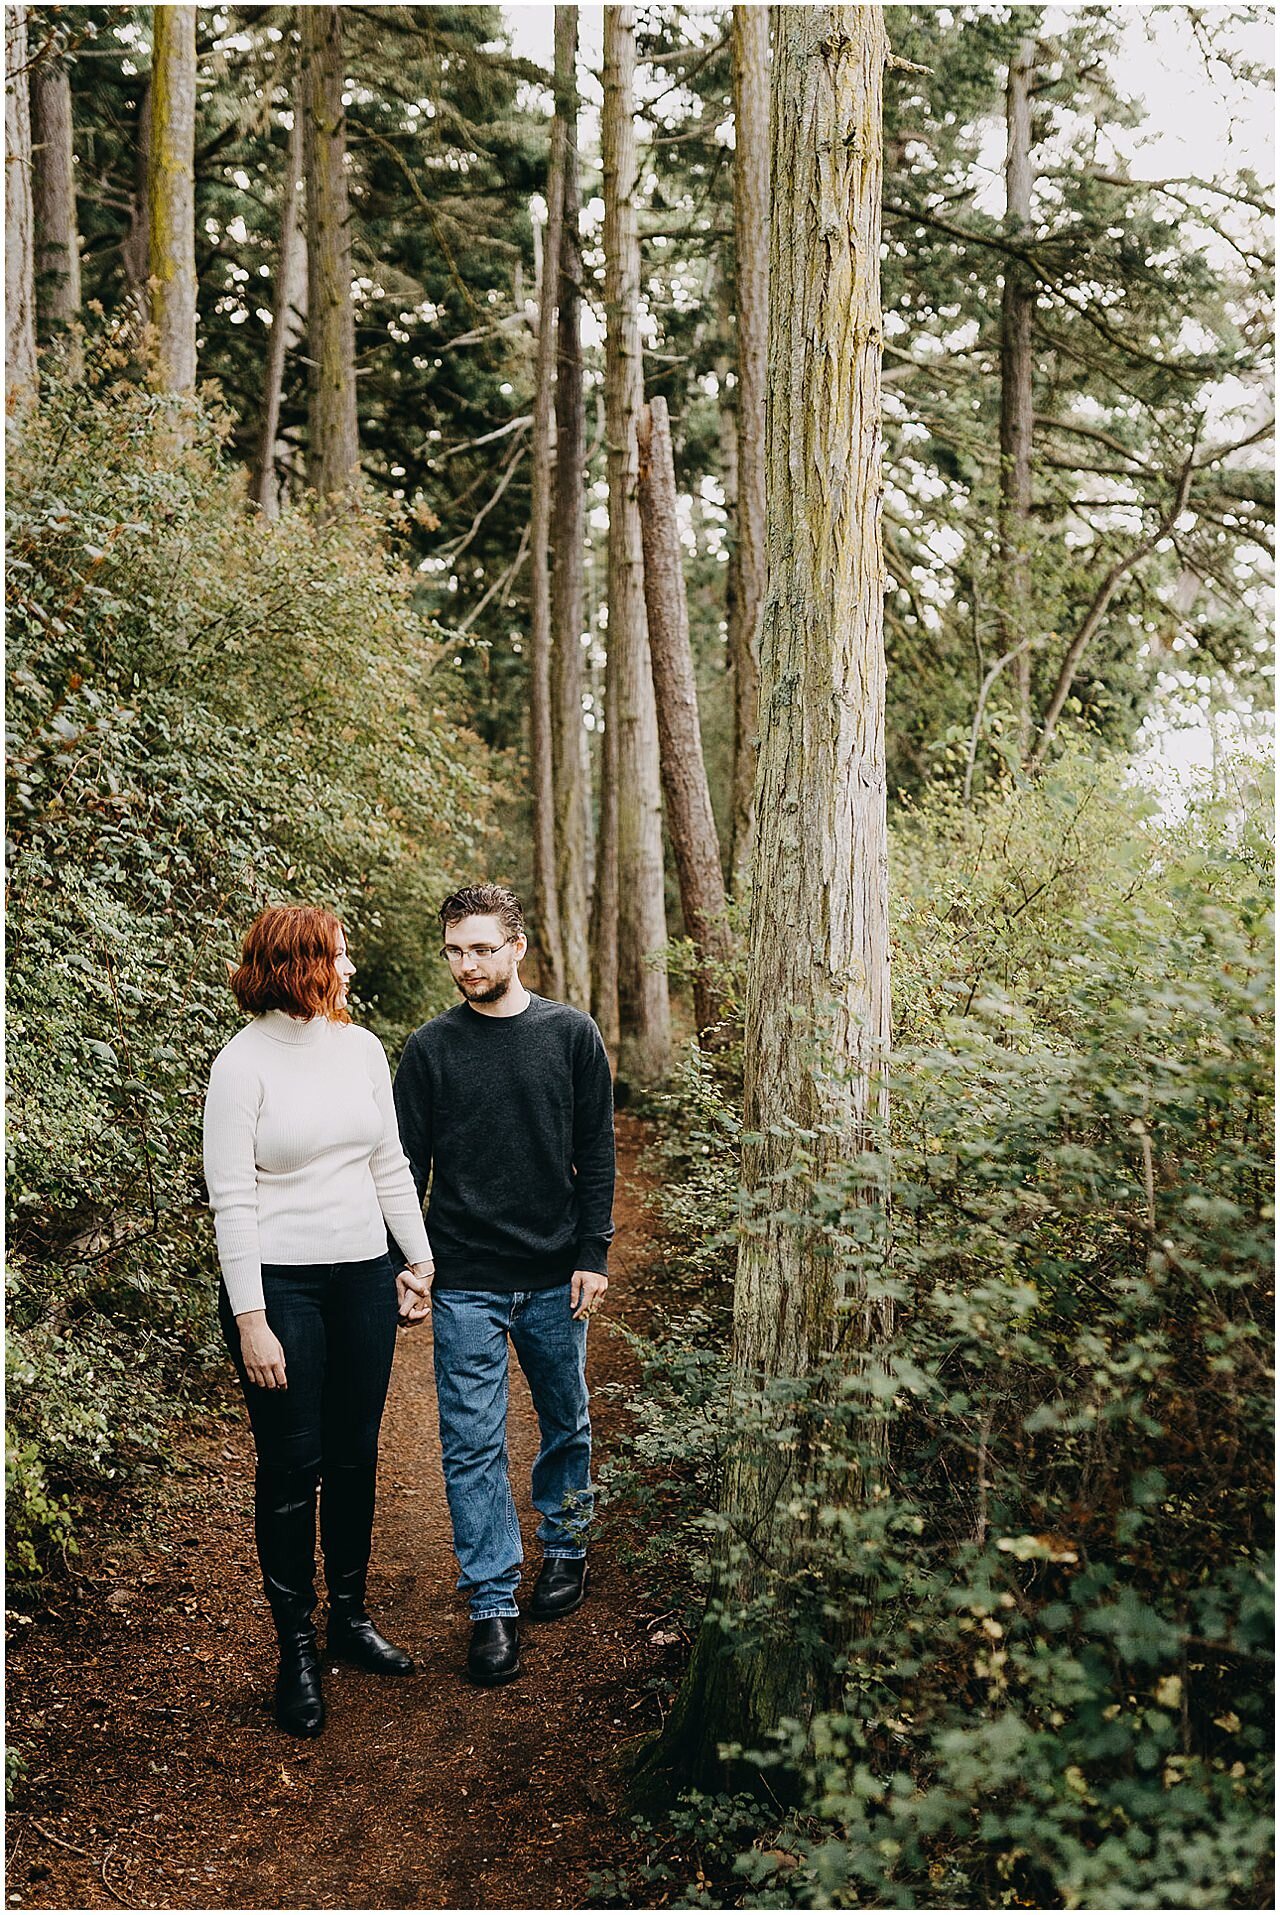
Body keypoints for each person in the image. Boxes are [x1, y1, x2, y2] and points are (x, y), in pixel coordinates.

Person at [202, 905, 436, 1737]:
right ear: (299, 965)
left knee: (353, 1452)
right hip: (282, 1288)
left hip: (363, 1276)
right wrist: (251, 1318)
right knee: (290, 1464)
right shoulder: (241, 1066)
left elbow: (388, 1160)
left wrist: (417, 1255)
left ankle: (349, 1616)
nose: (349, 968)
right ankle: (295, 1648)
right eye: (338, 956)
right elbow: (231, 1199)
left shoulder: (362, 1049)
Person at [392, 882, 615, 1687]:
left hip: (555, 1273)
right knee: (472, 1442)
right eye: (455, 949)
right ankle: (491, 1602)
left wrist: (592, 1252)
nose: (467, 963)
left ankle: (567, 1547)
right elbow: (403, 1168)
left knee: (567, 1418)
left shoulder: (570, 1034)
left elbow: (597, 1153)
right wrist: (409, 1263)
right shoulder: (429, 1050)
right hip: (466, 1282)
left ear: (518, 947)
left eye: (482, 947)